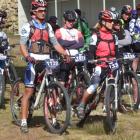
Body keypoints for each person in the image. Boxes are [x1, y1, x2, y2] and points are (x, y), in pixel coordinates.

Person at [20, 0, 69, 133]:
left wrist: (65, 53)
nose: (43, 13)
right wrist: (27, 56)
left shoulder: (48, 26)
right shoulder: (28, 26)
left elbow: (55, 43)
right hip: (33, 60)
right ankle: (24, 121)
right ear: (34, 12)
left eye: (44, 10)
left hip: (47, 60)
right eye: (40, 10)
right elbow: (23, 44)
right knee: (29, 92)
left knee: (52, 89)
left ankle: (53, 120)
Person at [77, 10, 119, 119]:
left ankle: (109, 105)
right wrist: (93, 61)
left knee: (114, 82)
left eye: (113, 21)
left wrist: (120, 59)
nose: (112, 23)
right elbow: (90, 53)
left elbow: (118, 52)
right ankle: (81, 105)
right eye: (110, 21)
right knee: (94, 86)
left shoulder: (114, 37)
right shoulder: (96, 36)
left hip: (111, 65)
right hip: (99, 65)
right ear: (103, 22)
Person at [55, 10, 84, 86]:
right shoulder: (59, 31)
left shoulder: (77, 31)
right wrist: (75, 42)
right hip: (65, 57)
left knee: (82, 78)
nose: (71, 22)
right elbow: (61, 43)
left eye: (73, 20)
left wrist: (67, 43)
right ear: (64, 20)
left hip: (77, 58)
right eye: (69, 20)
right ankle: (61, 95)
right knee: (63, 79)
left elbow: (81, 43)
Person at [129, 4, 140, 72]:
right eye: (139, 9)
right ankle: (134, 76)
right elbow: (131, 31)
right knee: (136, 59)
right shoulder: (134, 20)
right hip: (137, 43)